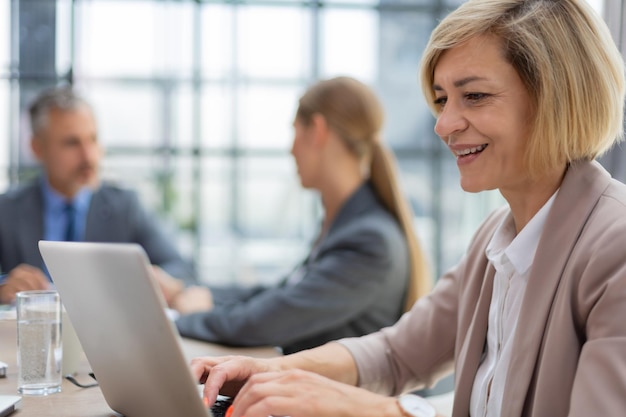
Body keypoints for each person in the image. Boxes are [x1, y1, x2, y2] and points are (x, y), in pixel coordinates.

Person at [187, 1, 626, 416]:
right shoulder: (496, 241)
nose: (443, 125)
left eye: (473, 96)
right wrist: (272, 372)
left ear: (556, 97)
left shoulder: (615, 248)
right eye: (441, 100)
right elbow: (396, 354)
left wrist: (375, 409)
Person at [156, 76, 432, 354]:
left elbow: (265, 322)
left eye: (295, 132)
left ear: (317, 131)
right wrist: (190, 294)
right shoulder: (348, 225)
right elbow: (281, 296)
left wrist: (178, 319)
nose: (291, 149)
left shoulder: (369, 240)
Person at [0, 86, 196, 304]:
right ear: (37, 148)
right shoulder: (7, 210)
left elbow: (182, 269)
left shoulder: (125, 207)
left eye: (92, 139)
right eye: (72, 143)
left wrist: (153, 279)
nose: (89, 156)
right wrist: (3, 287)